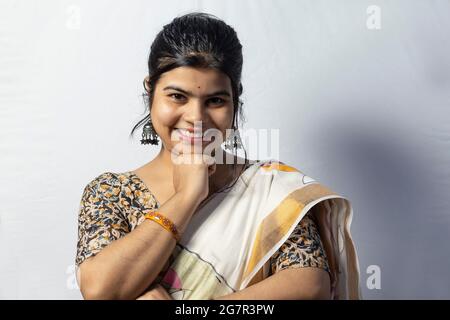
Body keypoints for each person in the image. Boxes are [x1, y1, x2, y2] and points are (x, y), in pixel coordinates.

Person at [74, 12, 361, 300]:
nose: (196, 118)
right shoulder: (110, 191)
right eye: (177, 96)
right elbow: (101, 290)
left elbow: (310, 287)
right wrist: (187, 196)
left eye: (215, 101)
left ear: (235, 100)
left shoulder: (271, 190)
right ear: (151, 91)